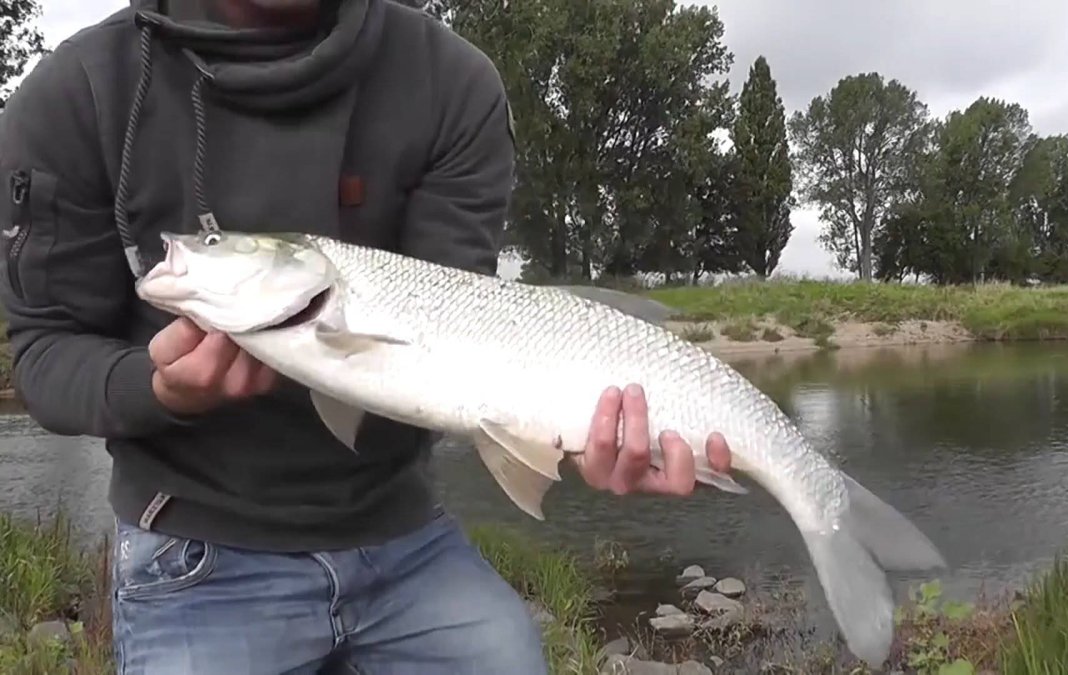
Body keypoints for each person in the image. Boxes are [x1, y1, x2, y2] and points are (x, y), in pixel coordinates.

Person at [0, 1, 733, 673]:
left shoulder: (453, 83)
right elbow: (43, 353)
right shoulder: (76, 95)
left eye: (215, 246)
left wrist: (569, 431)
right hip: (194, 549)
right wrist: (156, 389)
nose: (191, 251)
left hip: (404, 536)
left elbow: (463, 338)